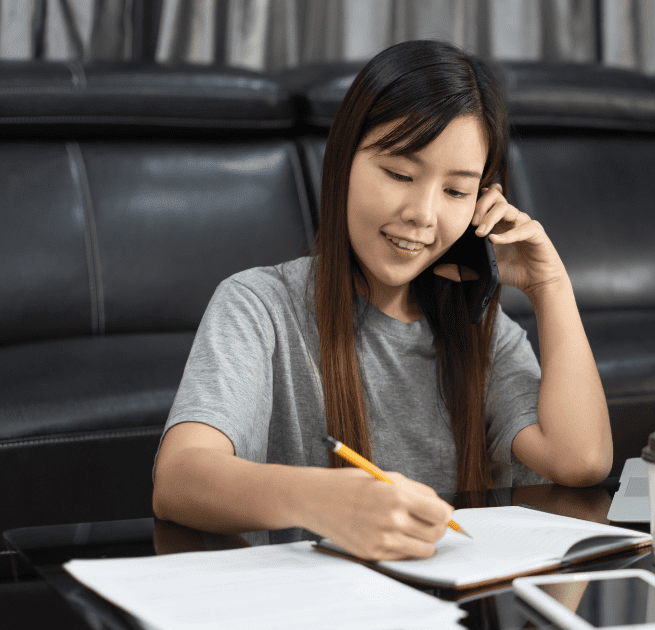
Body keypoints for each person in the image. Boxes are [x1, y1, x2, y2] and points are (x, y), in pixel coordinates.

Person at [151, 40, 612, 561]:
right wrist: (326, 501)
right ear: (344, 161)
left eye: (456, 192)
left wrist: (550, 285)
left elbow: (582, 460)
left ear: (484, 201)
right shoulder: (258, 306)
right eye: (399, 174)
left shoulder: (481, 327)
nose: (423, 213)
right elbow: (179, 478)